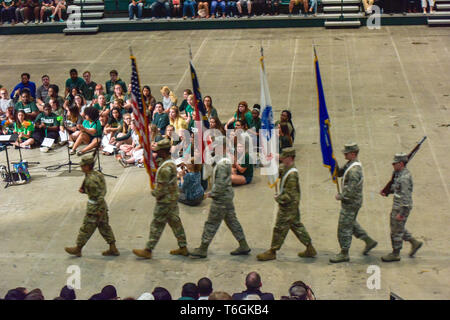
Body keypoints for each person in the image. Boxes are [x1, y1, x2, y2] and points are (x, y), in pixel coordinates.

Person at [190, 137, 251, 258]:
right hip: (226, 197)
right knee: (232, 221)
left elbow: (220, 185)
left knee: (211, 223)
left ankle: (203, 248)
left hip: (221, 199)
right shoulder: (223, 159)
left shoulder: (223, 164)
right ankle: (243, 245)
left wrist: (211, 194)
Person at [133, 139, 189, 259]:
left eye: (158, 151)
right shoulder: (170, 162)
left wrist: (154, 192)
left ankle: (148, 249)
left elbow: (161, 189)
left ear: (163, 151)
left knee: (157, 224)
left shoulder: (165, 169)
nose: (156, 152)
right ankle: (183, 247)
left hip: (164, 201)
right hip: (172, 199)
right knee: (175, 223)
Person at [257, 147, 317, 261]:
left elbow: (289, 195)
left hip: (288, 206)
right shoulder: (285, 167)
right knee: (296, 226)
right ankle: (310, 247)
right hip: (292, 206)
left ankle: (272, 251)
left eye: (284, 157)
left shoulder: (292, 175)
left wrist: (279, 198)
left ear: (290, 158)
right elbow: (276, 173)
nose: (282, 159)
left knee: (279, 228)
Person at [329, 143, 378, 263]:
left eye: (347, 153)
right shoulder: (350, 164)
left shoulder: (354, 170)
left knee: (344, 228)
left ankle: (344, 253)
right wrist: (332, 163)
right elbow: (340, 173)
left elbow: (350, 191)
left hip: (351, 202)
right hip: (352, 201)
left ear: (353, 154)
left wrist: (341, 196)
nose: (344, 154)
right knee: (350, 223)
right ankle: (368, 241)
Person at [65, 155, 120, 257]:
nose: (81, 168)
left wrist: (99, 209)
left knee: (86, 228)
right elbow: (101, 190)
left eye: (83, 166)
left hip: (95, 208)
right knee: (104, 227)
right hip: (102, 206)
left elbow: (97, 195)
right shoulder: (98, 174)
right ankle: (113, 248)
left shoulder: (91, 180)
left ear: (87, 166)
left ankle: (78, 248)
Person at [380, 153, 423, 262]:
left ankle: (396, 253)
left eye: (395, 163)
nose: (393, 165)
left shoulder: (404, 178)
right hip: (397, 205)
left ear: (401, 164)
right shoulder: (398, 174)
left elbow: (406, 198)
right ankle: (414, 242)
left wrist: (402, 213)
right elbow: (395, 187)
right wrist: (387, 191)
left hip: (402, 207)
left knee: (395, 231)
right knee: (397, 227)